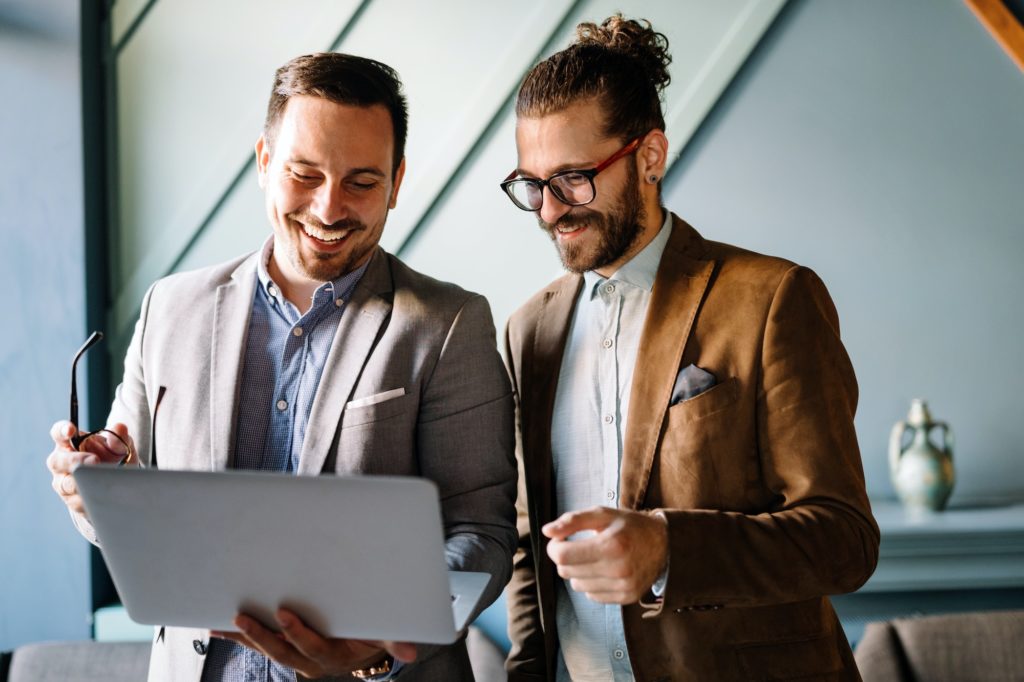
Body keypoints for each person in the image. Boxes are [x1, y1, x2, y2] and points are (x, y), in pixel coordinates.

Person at [46, 52, 517, 682]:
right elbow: (125, 506)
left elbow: (481, 532)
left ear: (397, 182)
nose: (328, 210)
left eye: (362, 181)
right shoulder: (170, 307)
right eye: (304, 173)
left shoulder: (448, 323)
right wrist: (96, 485)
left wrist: (380, 641)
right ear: (265, 162)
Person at [499, 15, 879, 682]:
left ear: (649, 157)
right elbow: (529, 546)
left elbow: (844, 540)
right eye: (532, 185)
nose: (549, 211)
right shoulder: (527, 330)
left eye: (573, 179)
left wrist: (671, 547)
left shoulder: (773, 299)